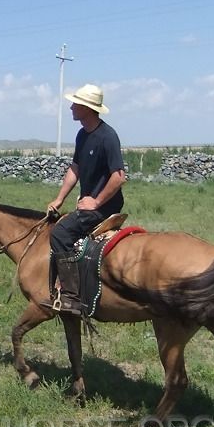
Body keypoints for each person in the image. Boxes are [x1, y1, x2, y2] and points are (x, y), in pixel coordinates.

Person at [43, 83, 126, 316]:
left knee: (59, 234)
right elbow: (75, 168)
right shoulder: (82, 135)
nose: (71, 107)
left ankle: (70, 295)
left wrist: (96, 202)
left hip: (102, 206)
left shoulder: (107, 136)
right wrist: (59, 199)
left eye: (75, 104)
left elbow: (119, 177)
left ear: (87, 109)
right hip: (87, 203)